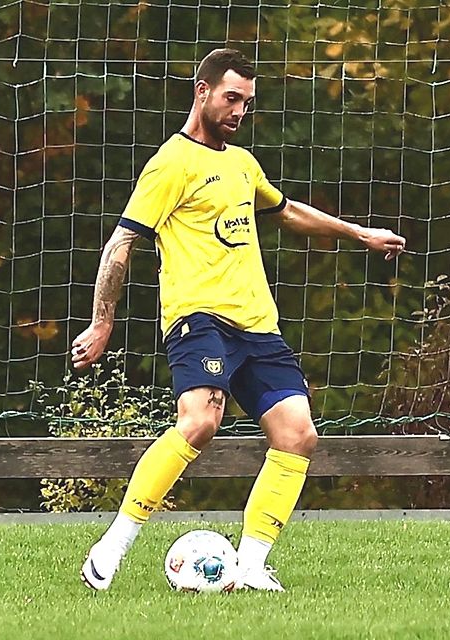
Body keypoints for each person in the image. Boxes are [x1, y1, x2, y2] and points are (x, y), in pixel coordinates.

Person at [71, 48, 405, 592]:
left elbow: (289, 211)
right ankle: (112, 547)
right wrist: (102, 322)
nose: (238, 111)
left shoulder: (243, 164)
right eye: (231, 98)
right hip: (198, 318)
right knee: (201, 420)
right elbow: (120, 245)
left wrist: (359, 234)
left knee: (298, 435)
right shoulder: (171, 163)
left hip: (258, 326)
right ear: (201, 92)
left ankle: (250, 567)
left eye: (246, 103)